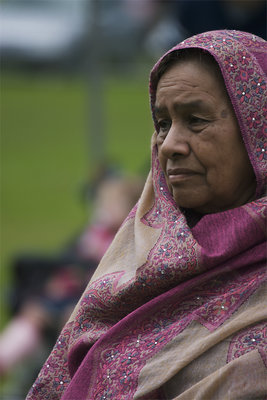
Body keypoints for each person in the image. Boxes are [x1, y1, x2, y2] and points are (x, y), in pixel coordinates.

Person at [26, 30, 266, 399]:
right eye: (163, 124)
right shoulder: (138, 255)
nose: (169, 145)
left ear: (257, 131)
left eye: (196, 120)